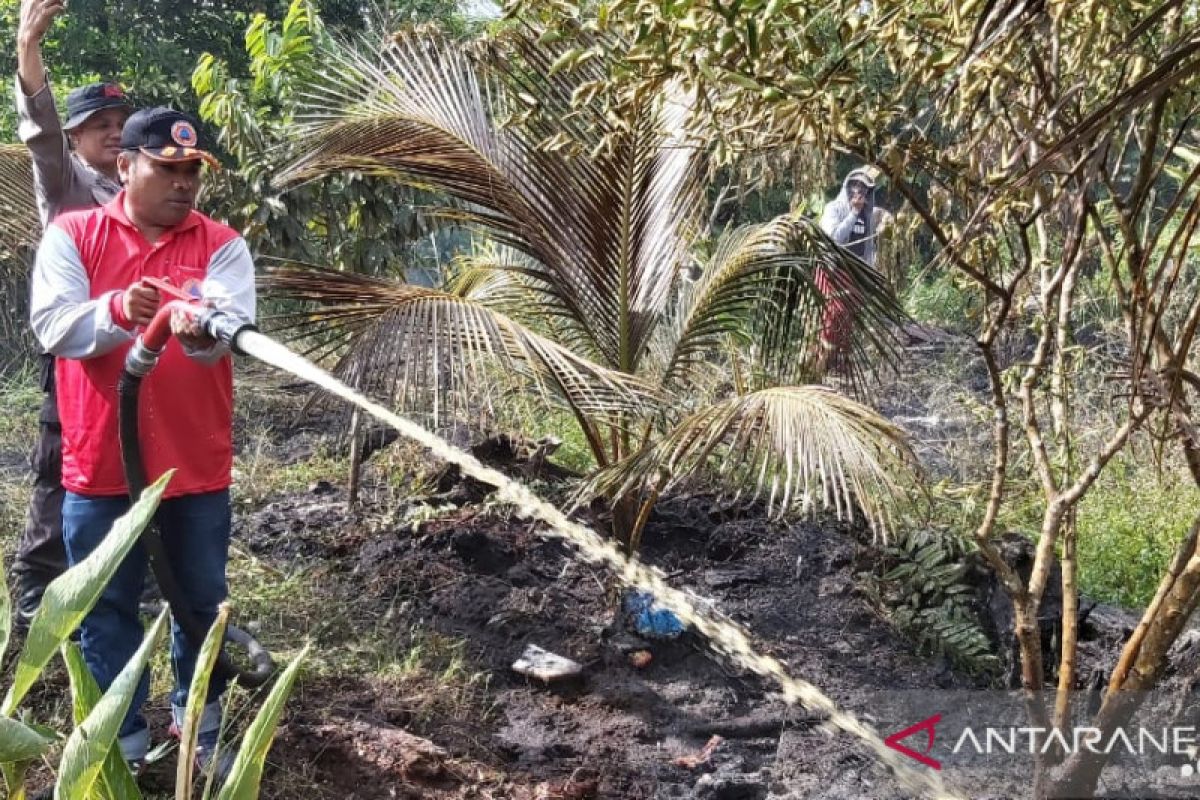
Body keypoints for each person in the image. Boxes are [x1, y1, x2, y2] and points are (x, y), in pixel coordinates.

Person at [29, 107, 253, 773]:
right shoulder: (74, 235)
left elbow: (230, 320)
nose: (183, 182)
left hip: (194, 467)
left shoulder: (221, 243)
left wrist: (203, 333)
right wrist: (120, 310)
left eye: (192, 172)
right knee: (103, 607)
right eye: (167, 168)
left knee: (200, 603)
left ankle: (199, 733)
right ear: (125, 167)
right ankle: (118, 744)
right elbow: (53, 326)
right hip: (101, 463)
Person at [12, 0, 134, 627]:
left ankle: (118, 573)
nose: (114, 132)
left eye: (121, 122)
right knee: (60, 463)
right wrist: (29, 51)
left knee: (129, 456)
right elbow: (40, 128)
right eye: (100, 124)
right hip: (76, 344)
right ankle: (35, 590)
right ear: (78, 138)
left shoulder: (133, 190)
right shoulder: (67, 182)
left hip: (134, 346)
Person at [816, 167, 892, 370]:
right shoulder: (834, 209)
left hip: (855, 273)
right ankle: (821, 360)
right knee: (834, 314)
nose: (858, 192)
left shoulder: (868, 215)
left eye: (864, 188)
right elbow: (834, 239)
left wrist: (887, 220)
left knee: (849, 319)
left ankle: (840, 363)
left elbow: (870, 244)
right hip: (833, 270)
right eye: (854, 186)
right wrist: (853, 213)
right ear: (847, 187)